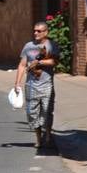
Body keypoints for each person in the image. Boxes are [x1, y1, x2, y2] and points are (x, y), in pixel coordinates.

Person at [14, 20, 59, 151]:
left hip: (47, 84)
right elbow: (22, 65)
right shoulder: (28, 46)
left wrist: (39, 63)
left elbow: (54, 61)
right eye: (34, 30)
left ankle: (48, 136)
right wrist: (17, 83)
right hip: (31, 85)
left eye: (39, 31)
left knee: (46, 111)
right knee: (32, 113)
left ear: (46, 32)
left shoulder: (52, 45)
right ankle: (38, 139)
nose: (35, 33)